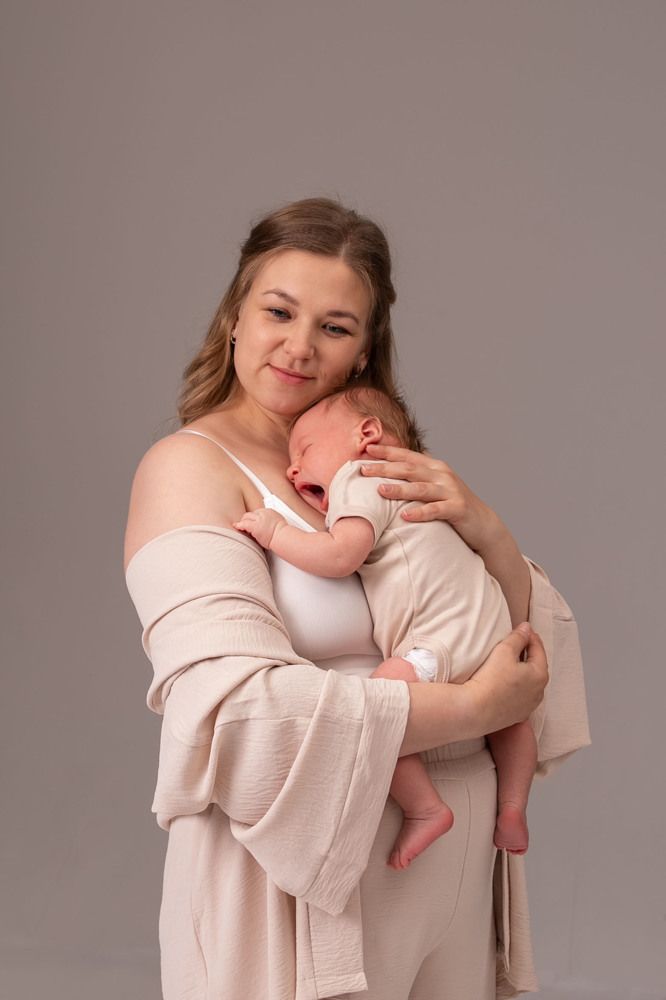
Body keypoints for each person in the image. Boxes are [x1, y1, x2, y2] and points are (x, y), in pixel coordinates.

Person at [124, 197, 589, 1000]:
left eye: (334, 327)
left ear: (365, 349)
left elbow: (502, 627)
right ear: (235, 316)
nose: (300, 347)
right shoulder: (187, 469)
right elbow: (234, 713)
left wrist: (487, 529)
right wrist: (476, 707)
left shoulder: (368, 462)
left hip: (455, 869)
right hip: (301, 879)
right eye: (278, 311)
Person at [234, 385, 537, 871]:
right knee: (511, 719)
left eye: (305, 450)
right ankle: (513, 807)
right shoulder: (420, 486)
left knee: (377, 708)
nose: (293, 469)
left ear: (368, 435)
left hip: (436, 640)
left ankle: (425, 808)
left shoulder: (361, 476)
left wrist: (276, 532)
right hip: (492, 627)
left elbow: (341, 555)